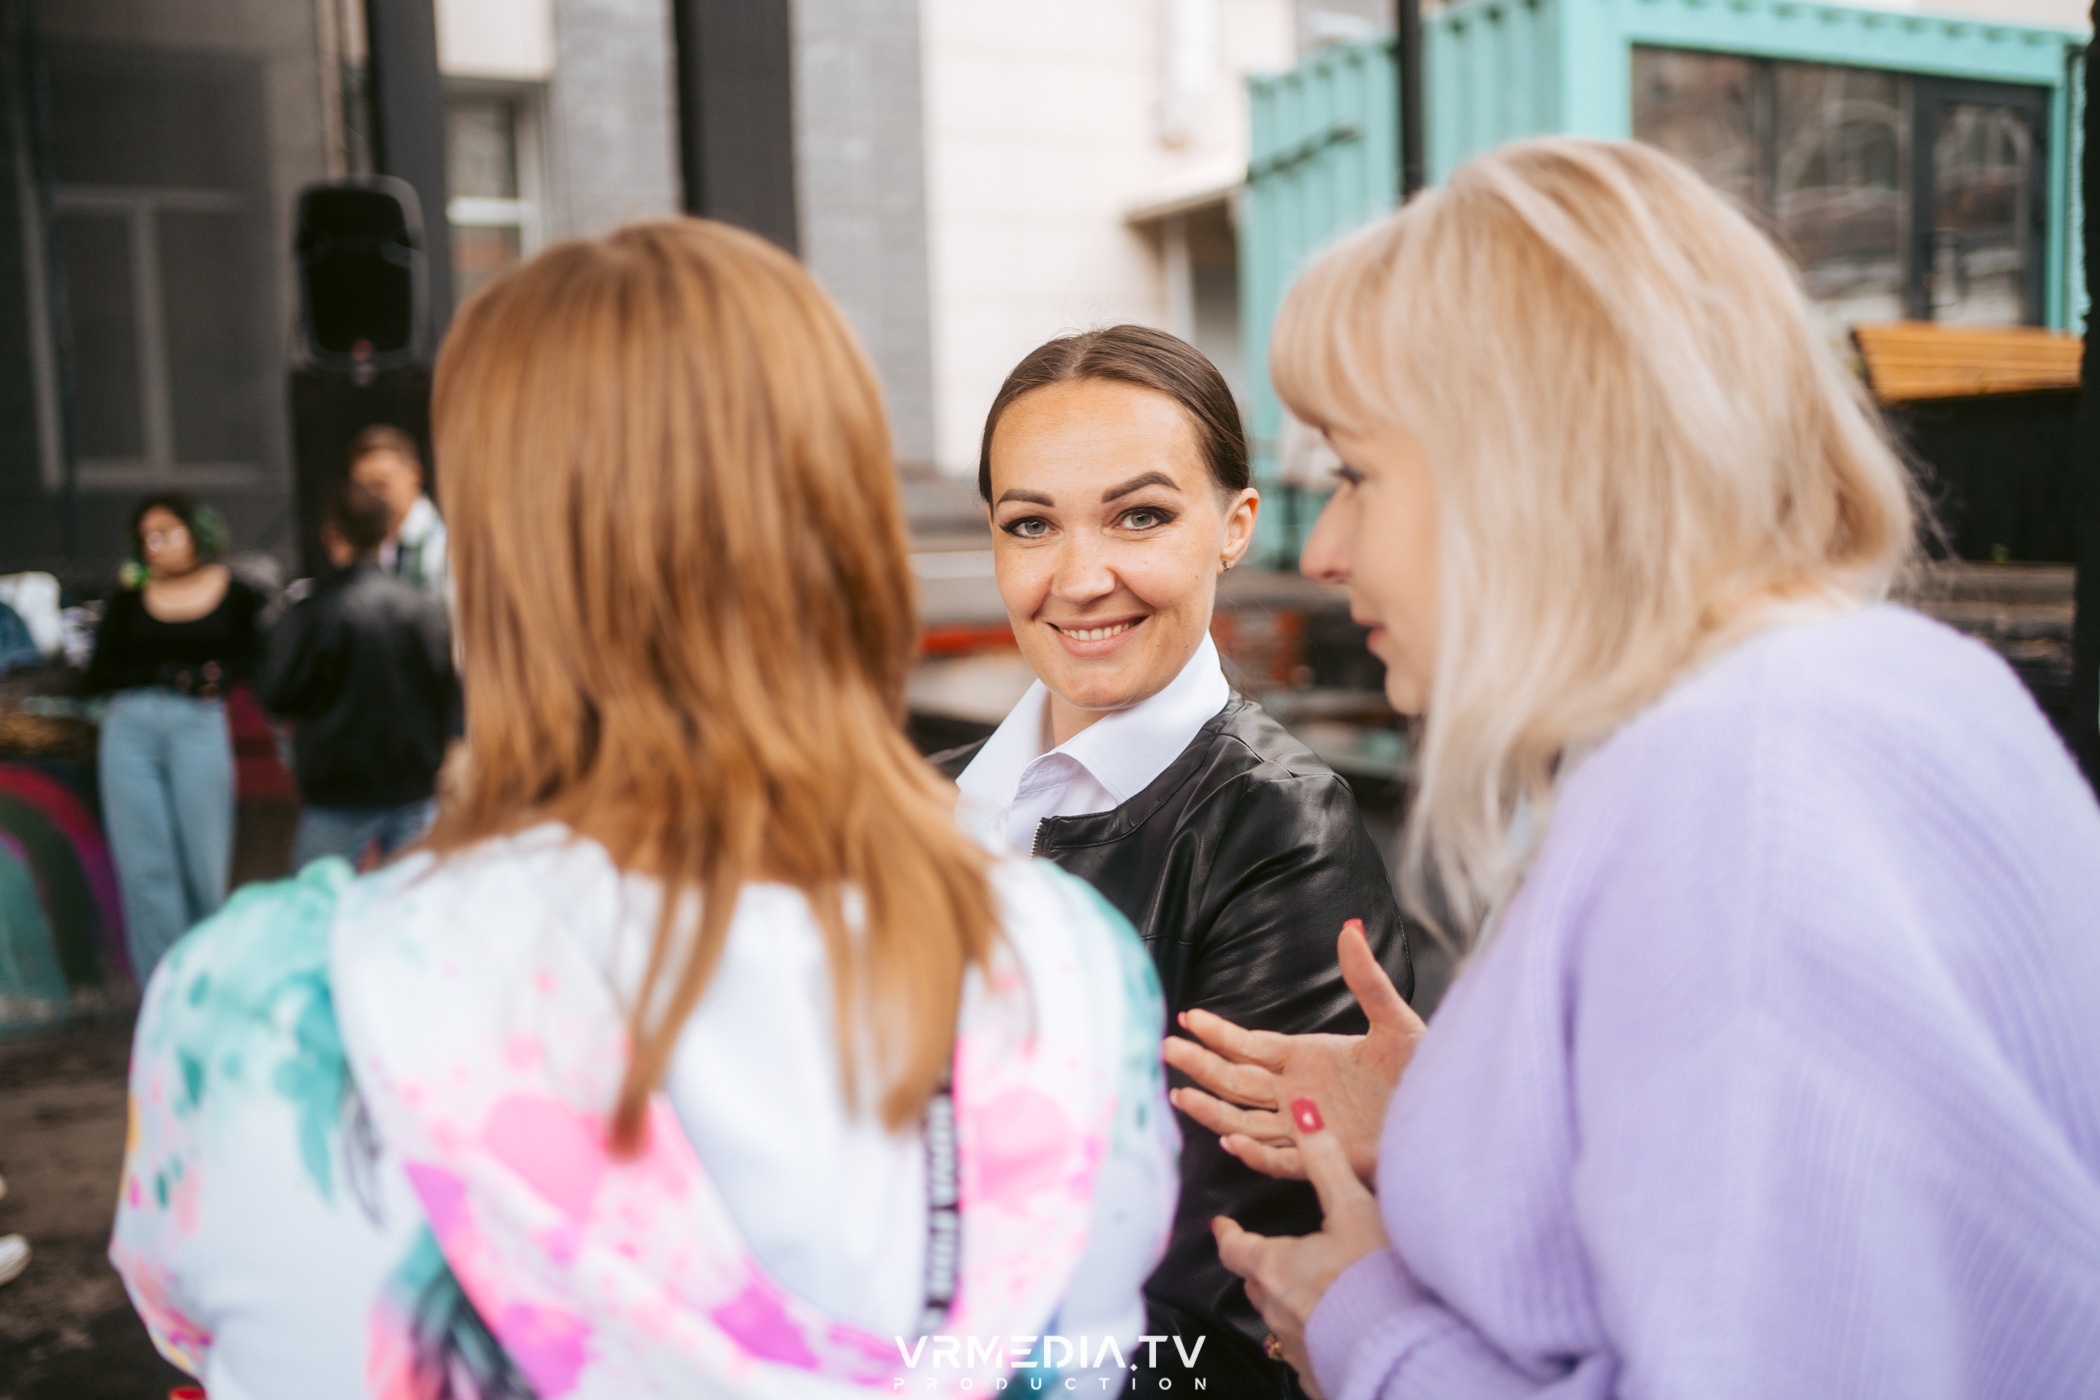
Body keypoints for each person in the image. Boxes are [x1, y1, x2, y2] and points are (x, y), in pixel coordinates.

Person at [111, 218, 1179, 1399]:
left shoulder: (262, 1009)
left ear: (497, 567)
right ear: (851, 537)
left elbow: (202, 1330)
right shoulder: (1072, 970)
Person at [1165, 137, 2100, 1398]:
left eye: (1357, 472)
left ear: (1528, 472)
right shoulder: (1870, 696)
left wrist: (1367, 1325)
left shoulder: (1745, 804)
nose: (1323, 548)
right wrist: (1471, 1115)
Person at [931, 323, 1411, 1394]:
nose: (1080, 576)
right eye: (1031, 524)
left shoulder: (1278, 831)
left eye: (1139, 515)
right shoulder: (919, 801)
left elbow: (1220, 1307)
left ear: (1235, 526)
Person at [85, 494, 263, 983]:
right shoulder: (126, 600)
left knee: (206, 865)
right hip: (130, 729)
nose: (155, 545)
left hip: (199, 727)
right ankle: (163, 991)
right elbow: (97, 675)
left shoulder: (239, 593)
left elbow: (255, 661)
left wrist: (214, 678)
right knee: (146, 868)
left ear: (197, 533)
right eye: (147, 537)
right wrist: (170, 673)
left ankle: (211, 983)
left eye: (166, 532)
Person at [259, 481, 456, 869]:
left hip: (338, 789)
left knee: (321, 907)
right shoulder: (425, 609)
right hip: (413, 783)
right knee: (410, 905)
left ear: (330, 534)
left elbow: (278, 692)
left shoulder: (315, 613)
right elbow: (448, 691)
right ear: (388, 532)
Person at [347, 423, 449, 603]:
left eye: (380, 484)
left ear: (415, 476)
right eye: (362, 488)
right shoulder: (363, 545)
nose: (371, 497)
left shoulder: (444, 549)